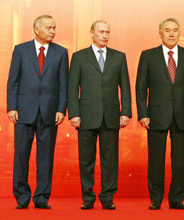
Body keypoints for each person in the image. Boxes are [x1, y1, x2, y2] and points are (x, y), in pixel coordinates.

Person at [136, 18, 184, 210]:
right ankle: (156, 199)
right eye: (167, 30)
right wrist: (143, 113)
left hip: (182, 115)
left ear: (179, 33)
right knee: (156, 160)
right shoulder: (148, 56)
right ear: (160, 33)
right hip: (155, 115)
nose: (171, 34)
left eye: (175, 30)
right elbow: (141, 88)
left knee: (180, 161)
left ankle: (177, 199)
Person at [68, 20, 132, 210]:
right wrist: (74, 113)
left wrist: (126, 112)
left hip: (111, 115)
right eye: (101, 32)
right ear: (92, 33)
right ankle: (88, 197)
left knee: (109, 159)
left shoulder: (119, 57)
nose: (105, 35)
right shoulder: (79, 57)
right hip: (86, 115)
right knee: (86, 159)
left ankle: (107, 197)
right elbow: (72, 89)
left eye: (107, 32)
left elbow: (125, 88)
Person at [7, 14, 68, 209]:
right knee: (21, 156)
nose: (52, 31)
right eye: (49, 27)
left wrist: (61, 109)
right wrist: (12, 107)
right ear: (36, 29)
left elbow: (63, 85)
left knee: (45, 157)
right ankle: (22, 195)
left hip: (50, 111)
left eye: (54, 27)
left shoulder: (61, 52)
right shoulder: (20, 50)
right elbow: (13, 81)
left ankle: (42, 197)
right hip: (24, 111)